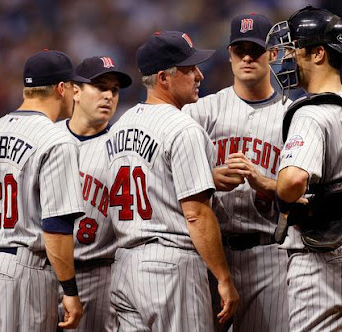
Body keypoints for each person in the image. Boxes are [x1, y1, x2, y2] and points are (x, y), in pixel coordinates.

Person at [266, 6, 342, 331]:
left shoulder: (310, 114)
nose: (287, 58)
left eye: (294, 49)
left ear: (319, 53)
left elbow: (292, 181)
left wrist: (275, 188)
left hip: (325, 261)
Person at [105, 30, 239, 332]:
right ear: (164, 78)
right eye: (189, 69)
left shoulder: (119, 126)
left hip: (124, 264)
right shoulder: (182, 128)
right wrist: (223, 277)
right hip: (170, 264)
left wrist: (206, 177)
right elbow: (196, 213)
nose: (199, 75)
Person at [183, 13, 290, 332]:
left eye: (255, 49)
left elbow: (304, 189)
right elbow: (165, 170)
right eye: (239, 48)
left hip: (268, 252)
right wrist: (208, 178)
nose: (246, 57)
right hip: (209, 252)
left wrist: (266, 182)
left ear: (272, 54)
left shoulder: (293, 115)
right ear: (229, 54)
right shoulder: (201, 111)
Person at [0, 50, 89, 331]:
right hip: (24, 271)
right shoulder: (56, 140)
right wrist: (70, 290)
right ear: (61, 89)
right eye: (74, 87)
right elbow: (56, 227)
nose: (76, 94)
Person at [56, 56, 132, 331]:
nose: (109, 96)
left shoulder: (121, 147)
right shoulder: (47, 138)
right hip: (42, 271)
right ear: (75, 90)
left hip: (97, 274)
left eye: (114, 90)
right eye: (100, 86)